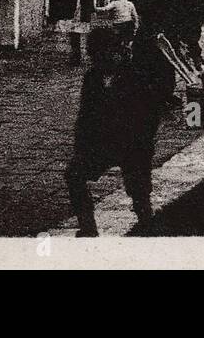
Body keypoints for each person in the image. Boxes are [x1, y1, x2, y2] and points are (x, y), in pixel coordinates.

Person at [65, 18, 164, 236]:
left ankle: (147, 224)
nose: (100, 59)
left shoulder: (135, 75)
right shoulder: (92, 78)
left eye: (105, 53)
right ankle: (87, 226)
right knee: (74, 174)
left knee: (139, 190)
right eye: (95, 55)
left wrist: (142, 144)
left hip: (133, 144)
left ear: (116, 50)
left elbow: (151, 114)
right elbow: (85, 116)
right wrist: (82, 148)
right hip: (102, 144)